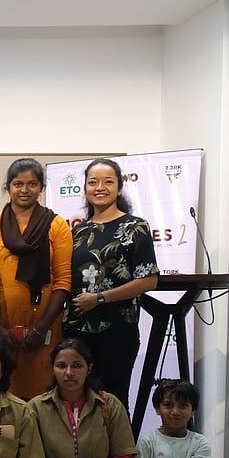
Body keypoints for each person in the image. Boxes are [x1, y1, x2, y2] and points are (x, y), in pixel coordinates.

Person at [63, 158, 160, 407]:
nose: (100, 187)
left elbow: (148, 281)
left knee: (114, 403)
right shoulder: (77, 232)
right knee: (77, 404)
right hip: (77, 332)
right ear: (84, 189)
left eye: (108, 182)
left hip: (117, 332)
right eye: (93, 182)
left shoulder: (135, 227)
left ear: (119, 188)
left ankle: (120, 449)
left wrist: (99, 299)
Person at [0, 158, 73, 399]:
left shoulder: (57, 225)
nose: (24, 190)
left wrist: (41, 328)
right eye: (18, 184)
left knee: (43, 393)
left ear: (41, 188)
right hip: (0, 323)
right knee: (3, 392)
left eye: (32, 184)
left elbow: (63, 281)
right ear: (8, 187)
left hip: (45, 324)